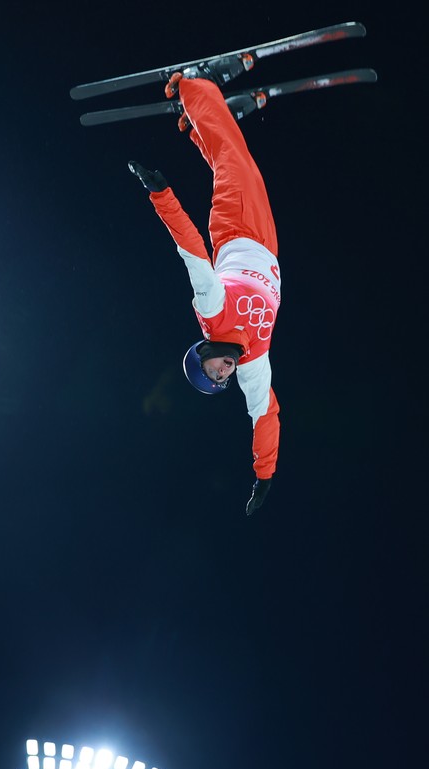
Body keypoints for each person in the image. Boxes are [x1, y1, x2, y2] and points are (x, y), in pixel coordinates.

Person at [128, 69, 281, 516]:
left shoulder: (211, 311)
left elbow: (192, 251)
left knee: (234, 158)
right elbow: (264, 416)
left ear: (202, 354)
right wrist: (264, 476)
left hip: (234, 226)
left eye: (213, 373)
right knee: (236, 159)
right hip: (267, 242)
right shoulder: (253, 363)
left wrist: (161, 194)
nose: (224, 375)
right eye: (222, 381)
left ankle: (196, 85)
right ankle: (207, 118)